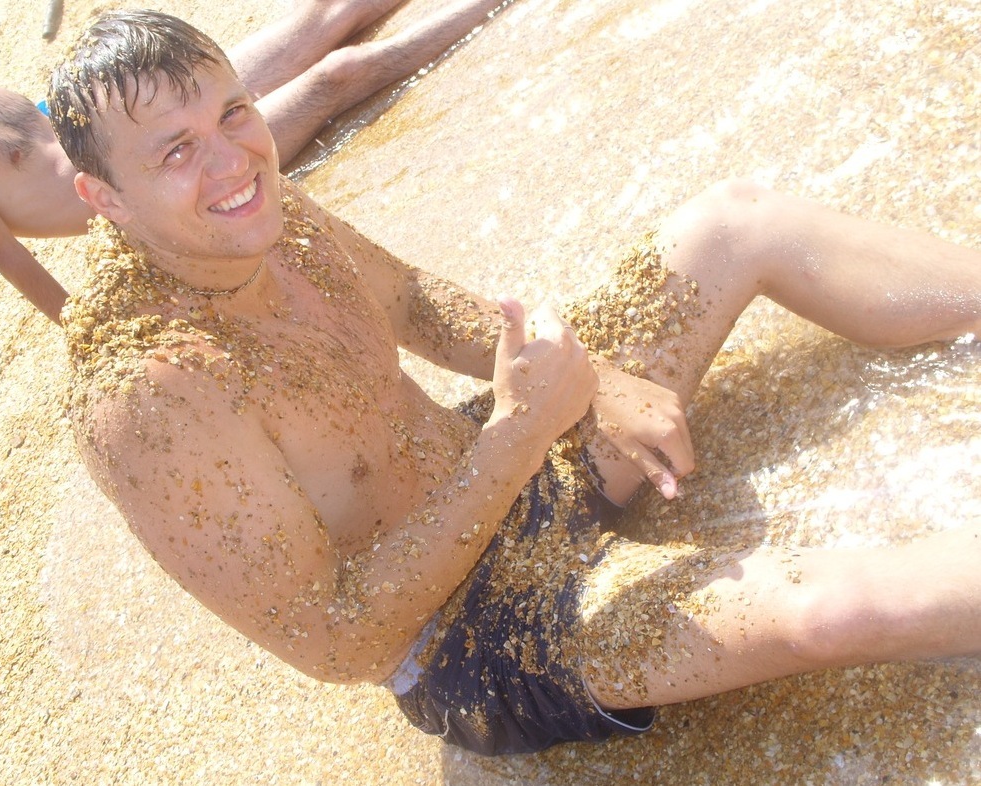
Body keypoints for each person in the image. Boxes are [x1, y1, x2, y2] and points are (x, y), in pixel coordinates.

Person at [48, 9, 981, 757]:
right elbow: (336, 641)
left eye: (233, 113)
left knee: (733, 224)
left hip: (509, 455)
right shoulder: (146, 399)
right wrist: (519, 432)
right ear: (104, 199)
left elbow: (409, 300)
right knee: (832, 610)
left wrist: (590, 381)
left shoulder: (256, 202)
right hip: (476, 633)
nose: (231, 161)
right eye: (174, 151)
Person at [0, 0, 503, 322]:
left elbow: (38, 122)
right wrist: (103, 341)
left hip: (136, 116)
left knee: (323, 13)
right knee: (340, 74)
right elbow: (11, 261)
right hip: (156, 182)